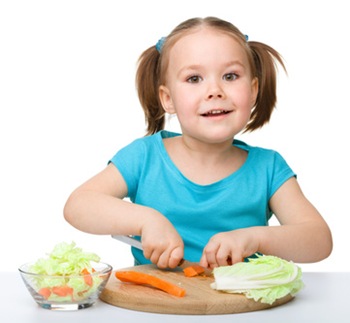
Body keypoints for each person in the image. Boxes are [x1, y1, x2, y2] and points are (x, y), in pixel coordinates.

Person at [64, 17, 332, 270]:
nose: (215, 90)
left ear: (253, 91)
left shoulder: (268, 167)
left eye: (230, 76)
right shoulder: (144, 157)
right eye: (194, 79)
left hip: (241, 311)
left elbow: (319, 241)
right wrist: (147, 220)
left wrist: (256, 238)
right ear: (167, 98)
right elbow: (79, 205)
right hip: (155, 310)